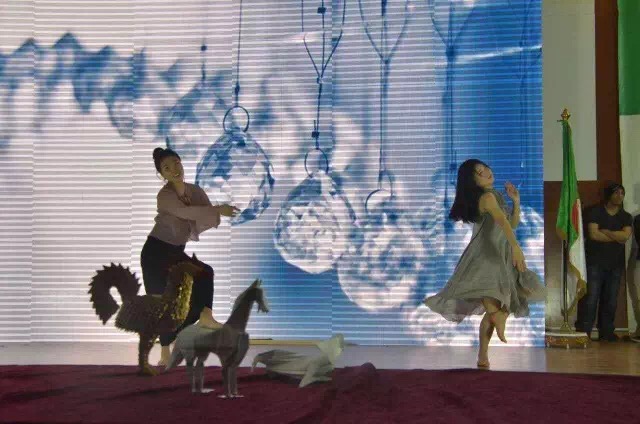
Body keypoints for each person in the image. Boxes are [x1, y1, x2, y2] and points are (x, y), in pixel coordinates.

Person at [424, 159, 545, 369]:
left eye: (486, 168)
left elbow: (512, 224)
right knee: (497, 308)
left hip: (499, 255)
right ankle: (499, 321)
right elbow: (502, 222)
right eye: (480, 172)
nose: (487, 172)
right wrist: (516, 248)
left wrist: (516, 202)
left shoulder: (495, 195)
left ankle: (483, 354)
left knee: (501, 305)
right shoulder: (487, 197)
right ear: (472, 181)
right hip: (486, 258)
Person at [141, 147, 239, 366]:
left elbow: (205, 215)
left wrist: (217, 211)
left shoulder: (195, 191)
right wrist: (217, 209)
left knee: (204, 273)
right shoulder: (164, 196)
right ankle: (165, 352)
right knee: (163, 303)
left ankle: (205, 316)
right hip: (155, 253)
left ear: (181, 162)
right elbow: (187, 213)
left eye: (176, 163)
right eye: (167, 168)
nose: (174, 169)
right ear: (162, 174)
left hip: (175, 251)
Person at [576, 183, 632, 341]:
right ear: (608, 194)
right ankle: (583, 332)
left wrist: (606, 232)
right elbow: (594, 234)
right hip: (594, 263)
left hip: (615, 265)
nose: (620, 196)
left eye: (622, 193)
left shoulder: (625, 216)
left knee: (611, 300)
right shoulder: (595, 212)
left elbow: (625, 236)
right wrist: (616, 236)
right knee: (590, 299)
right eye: (616, 193)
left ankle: (606, 333)